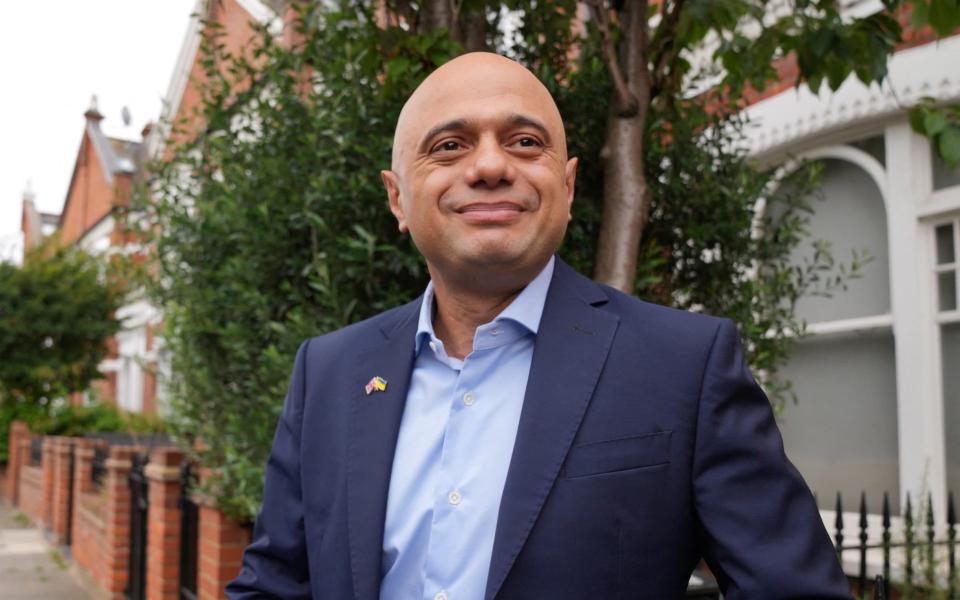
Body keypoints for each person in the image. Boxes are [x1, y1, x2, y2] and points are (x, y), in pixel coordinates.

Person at [226, 52, 851, 599]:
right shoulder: (329, 372)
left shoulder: (684, 366)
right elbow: (276, 584)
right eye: (449, 146)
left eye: (525, 142)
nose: (492, 166)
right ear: (397, 199)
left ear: (569, 185)